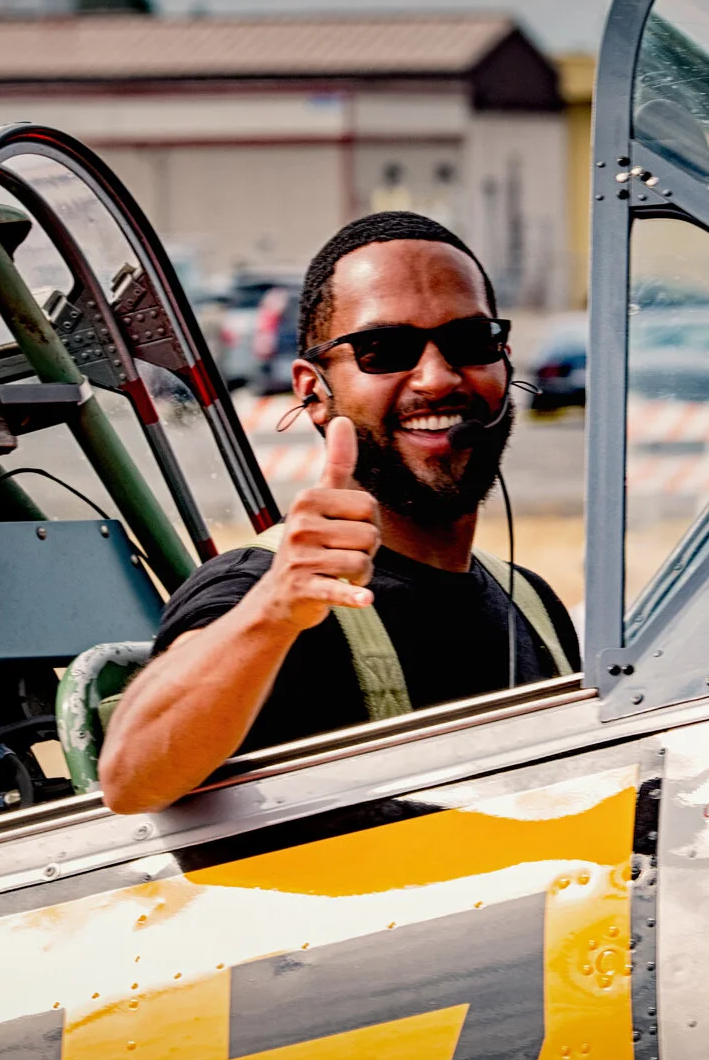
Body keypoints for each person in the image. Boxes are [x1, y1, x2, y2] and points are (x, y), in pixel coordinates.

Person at [98, 212, 580, 813]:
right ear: (313, 391)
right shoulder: (261, 589)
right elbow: (129, 778)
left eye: (470, 341)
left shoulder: (532, 604)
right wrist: (273, 613)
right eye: (385, 350)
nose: (437, 378)